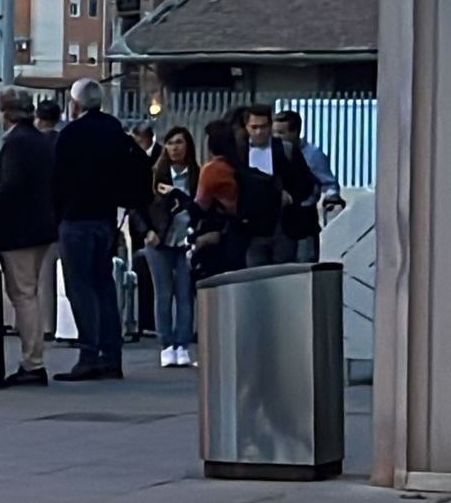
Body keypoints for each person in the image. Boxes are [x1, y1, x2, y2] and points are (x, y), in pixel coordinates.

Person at [51, 78, 143, 382]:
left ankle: (88, 354)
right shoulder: (115, 131)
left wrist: (56, 213)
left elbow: (57, 178)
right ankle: (111, 355)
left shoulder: (71, 134)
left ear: (75, 104)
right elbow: (138, 166)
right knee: (103, 284)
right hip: (105, 218)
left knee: (80, 287)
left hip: (76, 217)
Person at [0, 89, 59, 386]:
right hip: (41, 227)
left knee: (23, 295)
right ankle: (33, 359)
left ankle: (32, 362)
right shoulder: (39, 141)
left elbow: (10, 187)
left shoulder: (16, 143)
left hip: (19, 232)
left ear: (6, 113)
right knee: (31, 292)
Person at [131, 126, 198, 368]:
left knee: (185, 294)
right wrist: (147, 231)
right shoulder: (154, 174)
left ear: (188, 146)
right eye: (170, 143)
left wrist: (179, 193)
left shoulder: (196, 175)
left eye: (179, 142)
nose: (175, 148)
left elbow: (200, 206)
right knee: (163, 293)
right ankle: (166, 343)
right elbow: (136, 206)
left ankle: (183, 344)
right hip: (159, 240)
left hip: (186, 240)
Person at [241, 103, 321, 266]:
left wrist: (291, 197)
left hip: (283, 224)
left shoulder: (285, 149)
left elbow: (306, 183)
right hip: (251, 227)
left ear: (270, 126)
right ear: (246, 127)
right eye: (254, 127)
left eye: (263, 127)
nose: (259, 132)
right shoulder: (239, 152)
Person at [275, 109, 343, 261]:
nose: (276, 137)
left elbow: (329, 184)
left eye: (281, 132)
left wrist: (331, 202)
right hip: (281, 222)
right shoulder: (274, 152)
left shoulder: (313, 155)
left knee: (304, 264)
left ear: (295, 132)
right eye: (274, 132)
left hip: (304, 219)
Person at [192, 120, 247, 281]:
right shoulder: (238, 165)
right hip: (240, 233)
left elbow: (201, 204)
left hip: (219, 236)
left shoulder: (212, 169)